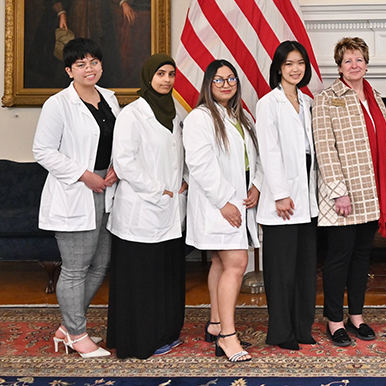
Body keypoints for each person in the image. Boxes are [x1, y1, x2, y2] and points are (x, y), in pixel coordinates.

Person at [33, 37, 118, 358]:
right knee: (75, 267)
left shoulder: (109, 98)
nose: (89, 69)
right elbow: (42, 151)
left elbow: (116, 143)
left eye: (93, 62)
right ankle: (77, 333)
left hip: (108, 190)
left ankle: (68, 327)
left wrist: (114, 169)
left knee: (100, 264)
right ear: (69, 70)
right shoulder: (58, 104)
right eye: (80, 64)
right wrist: (85, 175)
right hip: (76, 190)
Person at [313, 37, 386, 347]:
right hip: (343, 197)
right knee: (339, 258)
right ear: (339, 66)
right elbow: (325, 148)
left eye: (359, 59)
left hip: (370, 193)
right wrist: (338, 192)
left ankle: (356, 316)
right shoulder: (326, 99)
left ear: (366, 63)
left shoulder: (375, 97)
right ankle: (334, 319)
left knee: (362, 257)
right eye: (348, 60)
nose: (354, 65)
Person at [106, 54, 186, 359]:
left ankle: (165, 333)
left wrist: (184, 182)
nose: (166, 80)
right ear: (148, 76)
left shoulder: (176, 112)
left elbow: (182, 153)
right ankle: (138, 342)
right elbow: (124, 162)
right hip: (140, 211)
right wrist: (158, 190)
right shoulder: (133, 113)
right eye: (160, 74)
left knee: (164, 277)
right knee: (142, 281)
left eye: (171, 74)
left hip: (169, 211)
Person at [184, 59, 261, 363]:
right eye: (219, 80)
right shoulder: (200, 118)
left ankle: (216, 323)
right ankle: (228, 336)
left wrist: (256, 184)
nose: (226, 84)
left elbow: (254, 159)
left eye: (231, 79)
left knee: (220, 260)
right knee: (237, 262)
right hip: (217, 203)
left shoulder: (241, 116)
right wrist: (223, 202)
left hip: (240, 198)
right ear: (208, 84)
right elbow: (200, 165)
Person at [256, 41, 319, 351]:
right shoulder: (268, 102)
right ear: (278, 68)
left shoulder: (308, 102)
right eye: (289, 63)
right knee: (281, 272)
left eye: (300, 63)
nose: (296, 69)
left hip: (307, 199)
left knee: (305, 269)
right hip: (283, 200)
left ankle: (302, 328)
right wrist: (280, 194)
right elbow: (268, 151)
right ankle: (281, 332)